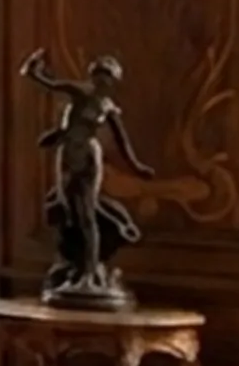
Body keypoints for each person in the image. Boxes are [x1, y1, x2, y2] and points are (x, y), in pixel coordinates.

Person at [22, 49, 151, 302]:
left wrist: (137, 167)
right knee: (69, 211)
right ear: (94, 76)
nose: (104, 83)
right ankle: (78, 264)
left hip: (89, 158)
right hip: (69, 153)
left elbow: (122, 141)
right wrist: (33, 70)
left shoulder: (107, 107)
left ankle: (90, 274)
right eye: (101, 76)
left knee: (87, 214)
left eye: (109, 79)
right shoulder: (80, 92)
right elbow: (49, 84)